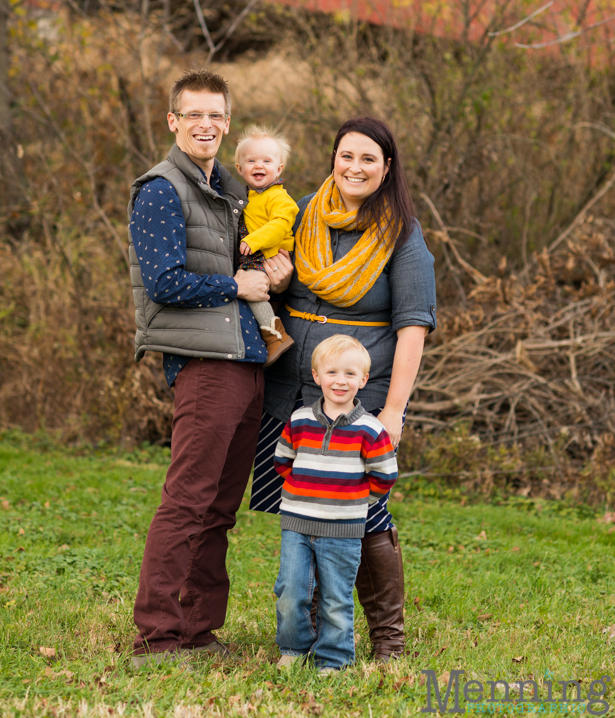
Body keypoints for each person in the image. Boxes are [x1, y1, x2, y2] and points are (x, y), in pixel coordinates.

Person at [250, 116, 437, 662]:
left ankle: (387, 640)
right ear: (333, 158)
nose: (355, 168)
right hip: (290, 387)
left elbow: (413, 327)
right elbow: (269, 281)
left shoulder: (402, 233)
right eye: (346, 156)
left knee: (364, 514)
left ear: (386, 170)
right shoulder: (302, 212)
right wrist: (278, 280)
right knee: (298, 502)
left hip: (360, 394)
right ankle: (309, 636)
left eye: (368, 160)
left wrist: (394, 410)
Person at [127, 68, 282, 667]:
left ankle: (198, 633)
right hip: (204, 362)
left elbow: (244, 270)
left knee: (220, 507)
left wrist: (273, 272)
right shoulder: (162, 189)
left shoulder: (227, 189)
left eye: (216, 115)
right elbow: (163, 282)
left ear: (227, 120)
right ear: (173, 120)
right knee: (188, 498)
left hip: (245, 358)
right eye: (193, 114)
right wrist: (236, 284)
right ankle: (157, 637)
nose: (206, 125)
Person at [273, 335, 398, 674]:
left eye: (349, 374)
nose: (340, 381)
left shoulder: (370, 430)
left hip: (343, 529)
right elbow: (283, 462)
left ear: (363, 380)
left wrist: (355, 503)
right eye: (332, 372)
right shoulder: (300, 420)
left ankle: (334, 658)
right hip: (297, 524)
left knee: (335, 597)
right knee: (291, 590)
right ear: (316, 376)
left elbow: (385, 476)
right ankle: (293, 649)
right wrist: (303, 494)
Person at [234, 124, 298, 366]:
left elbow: (280, 225)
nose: (259, 165)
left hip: (269, 255)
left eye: (267, 161)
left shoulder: (279, 197)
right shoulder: (249, 196)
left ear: (279, 168)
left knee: (253, 290)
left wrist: (253, 240)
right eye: (251, 160)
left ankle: (274, 336)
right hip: (256, 253)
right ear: (240, 168)